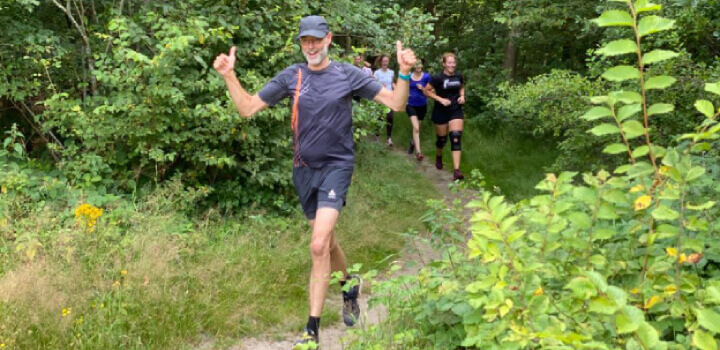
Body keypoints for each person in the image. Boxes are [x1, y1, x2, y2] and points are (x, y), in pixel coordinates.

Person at [213, 15, 416, 349]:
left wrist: (404, 72)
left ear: (329, 39)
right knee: (329, 241)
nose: (310, 45)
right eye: (305, 40)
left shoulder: (347, 74)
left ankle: (312, 329)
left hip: (337, 166)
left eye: (316, 39)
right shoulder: (292, 76)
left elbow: (395, 103)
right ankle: (349, 285)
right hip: (303, 170)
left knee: (318, 244)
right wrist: (229, 76)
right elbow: (248, 108)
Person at [424, 52, 465, 181]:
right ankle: (438, 155)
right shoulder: (437, 78)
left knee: (456, 137)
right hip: (441, 111)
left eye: (453, 62)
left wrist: (462, 96)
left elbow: (461, 87)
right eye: (449, 62)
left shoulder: (458, 76)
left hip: (455, 110)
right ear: (444, 64)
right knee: (442, 140)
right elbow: (426, 91)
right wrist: (440, 99)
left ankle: (456, 171)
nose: (452, 65)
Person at [406, 60, 431, 161]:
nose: (418, 66)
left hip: (422, 105)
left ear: (422, 65)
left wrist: (423, 88)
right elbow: (403, 87)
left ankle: (413, 142)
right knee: (416, 128)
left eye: (419, 64)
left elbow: (432, 90)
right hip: (410, 104)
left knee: (418, 129)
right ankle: (419, 152)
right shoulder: (409, 76)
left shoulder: (427, 77)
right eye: (416, 65)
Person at [373, 54, 396, 146]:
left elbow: (392, 83)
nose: (385, 63)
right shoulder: (377, 73)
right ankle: (377, 136)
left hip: (389, 97)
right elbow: (373, 84)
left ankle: (389, 138)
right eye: (384, 61)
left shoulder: (391, 72)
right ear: (380, 62)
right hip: (380, 97)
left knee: (390, 117)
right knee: (380, 117)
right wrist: (379, 86)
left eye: (387, 61)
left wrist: (396, 89)